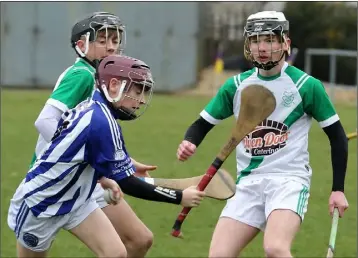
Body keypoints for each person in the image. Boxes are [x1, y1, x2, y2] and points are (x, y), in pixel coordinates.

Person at [176, 11, 349, 258]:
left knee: (275, 249)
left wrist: (338, 189)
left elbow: (337, 137)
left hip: (289, 181)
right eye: (256, 41)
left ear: (285, 43)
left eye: (270, 40)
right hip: (248, 182)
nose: (262, 47)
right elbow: (201, 124)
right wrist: (189, 142)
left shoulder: (307, 86)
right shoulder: (235, 86)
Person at [8, 54, 206, 258]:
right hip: (41, 205)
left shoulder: (100, 110)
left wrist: (104, 178)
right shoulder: (100, 121)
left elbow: (82, 156)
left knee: (116, 253)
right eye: (138, 91)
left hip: (77, 201)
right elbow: (128, 183)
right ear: (113, 85)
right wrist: (179, 197)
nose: (141, 101)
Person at [30, 12, 157, 257]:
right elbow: (45, 121)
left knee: (139, 240)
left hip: (84, 176)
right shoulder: (82, 75)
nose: (112, 47)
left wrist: (124, 164)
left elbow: (92, 137)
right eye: (102, 40)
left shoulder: (100, 77)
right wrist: (92, 166)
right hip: (55, 179)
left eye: (115, 39)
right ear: (81, 45)